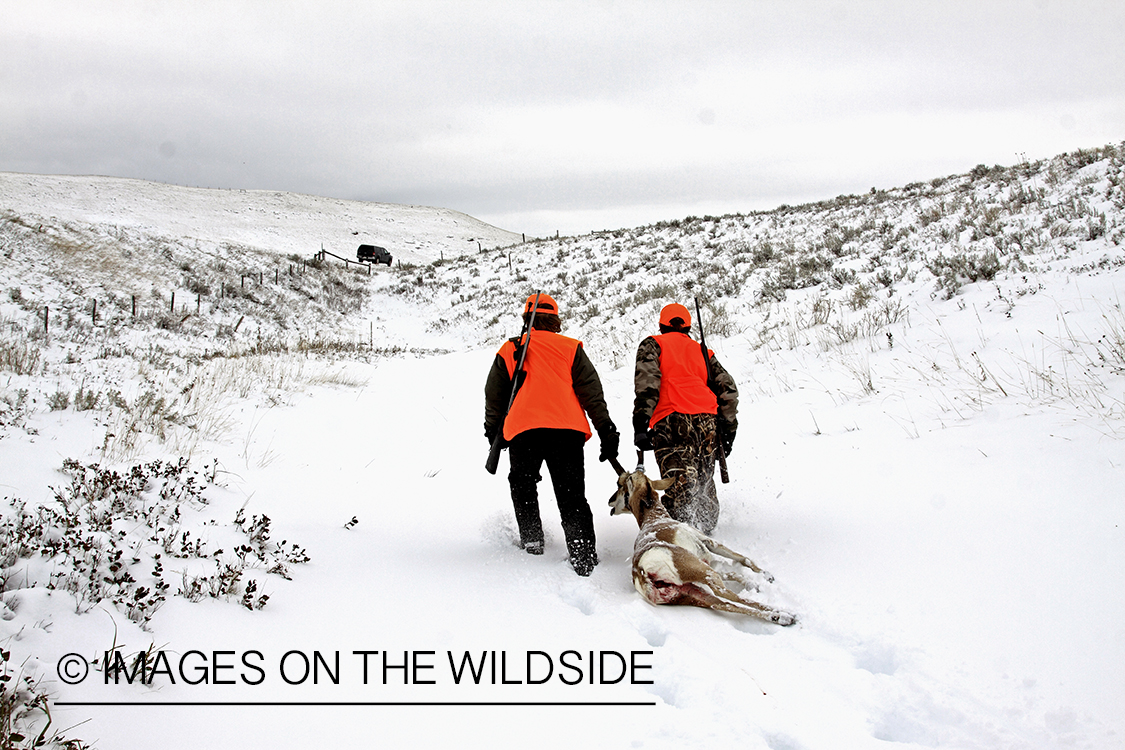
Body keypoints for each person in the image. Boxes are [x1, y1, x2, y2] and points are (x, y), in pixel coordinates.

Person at [484, 293, 620, 576]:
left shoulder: (511, 349)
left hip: (523, 431)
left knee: (523, 485)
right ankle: (582, 554)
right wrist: (605, 428)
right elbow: (591, 393)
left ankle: (532, 541)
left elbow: (495, 395)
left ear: (527, 319)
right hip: (567, 432)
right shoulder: (571, 348)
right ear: (555, 321)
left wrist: (492, 430)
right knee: (572, 495)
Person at [632, 302, 738, 534]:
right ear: (688, 327)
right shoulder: (703, 352)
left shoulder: (653, 344)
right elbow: (728, 389)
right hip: (707, 422)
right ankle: (707, 532)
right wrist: (729, 429)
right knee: (703, 482)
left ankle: (681, 538)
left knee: (678, 482)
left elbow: (648, 384)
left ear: (661, 325)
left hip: (671, 422)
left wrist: (640, 424)